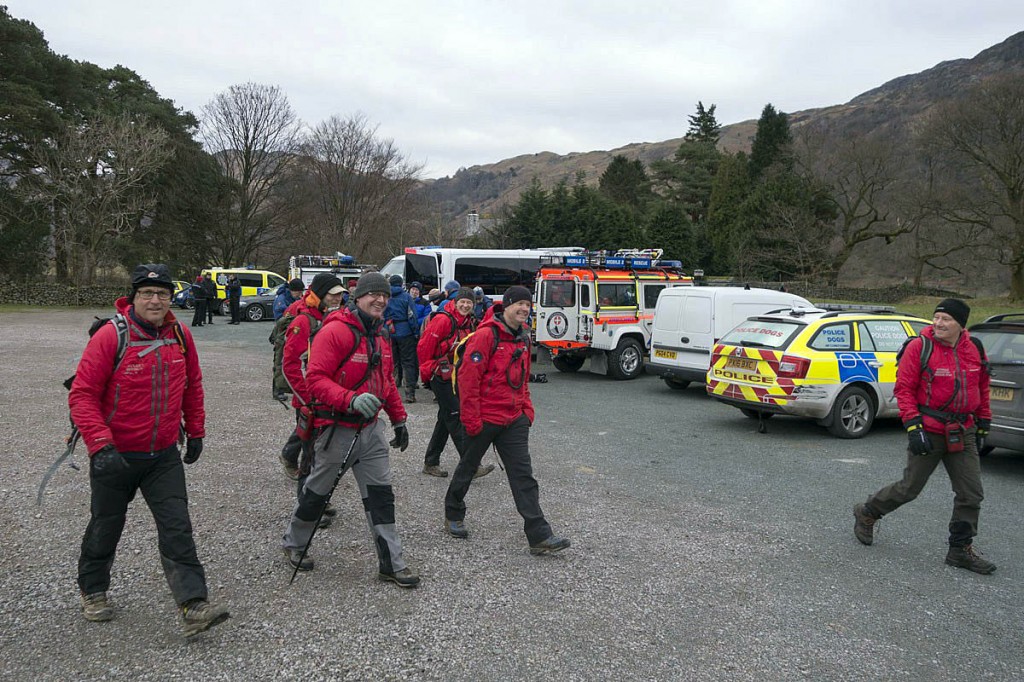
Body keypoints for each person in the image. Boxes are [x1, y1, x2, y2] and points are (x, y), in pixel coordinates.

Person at [68, 263, 230, 637]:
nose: (155, 300)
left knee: (177, 527)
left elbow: (193, 386)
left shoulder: (180, 336)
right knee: (106, 525)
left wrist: (198, 431)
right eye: (147, 293)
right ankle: (93, 590)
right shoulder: (111, 336)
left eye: (162, 294)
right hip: (116, 454)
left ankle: (193, 605)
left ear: (171, 298)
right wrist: (99, 445)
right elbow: (83, 395)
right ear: (134, 297)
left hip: (162, 454)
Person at [281, 272, 419, 588]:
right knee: (316, 494)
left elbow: (386, 382)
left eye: (384, 296)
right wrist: (351, 399)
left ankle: (391, 564)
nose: (380, 300)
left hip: (370, 432)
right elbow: (315, 380)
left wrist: (399, 419)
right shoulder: (336, 331)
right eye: (373, 295)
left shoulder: (382, 335)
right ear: (357, 298)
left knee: (381, 497)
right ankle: (294, 544)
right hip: (336, 430)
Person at [853, 298, 995, 574]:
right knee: (910, 488)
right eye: (936, 317)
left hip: (962, 430)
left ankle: (959, 550)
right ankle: (868, 511)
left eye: (946, 319)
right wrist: (914, 427)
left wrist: (984, 420)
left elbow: (982, 385)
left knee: (971, 493)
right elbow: (904, 389)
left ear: (960, 324)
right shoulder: (920, 347)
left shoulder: (974, 348)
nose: (939, 323)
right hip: (929, 428)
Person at [444, 285, 570, 555]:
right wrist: (472, 420)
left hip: (513, 419)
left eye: (528, 304)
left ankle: (539, 535)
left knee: (523, 476)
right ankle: (453, 513)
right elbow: (468, 380)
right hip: (484, 419)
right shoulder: (486, 336)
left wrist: (527, 412)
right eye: (519, 304)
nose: (524, 309)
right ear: (507, 306)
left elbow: (523, 380)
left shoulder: (523, 339)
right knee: (467, 468)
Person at [417, 287, 495, 479]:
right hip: (440, 374)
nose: (466, 305)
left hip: (454, 375)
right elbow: (424, 347)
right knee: (455, 417)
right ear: (455, 301)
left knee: (445, 419)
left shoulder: (469, 322)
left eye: (469, 303)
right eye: (463, 302)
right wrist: (427, 371)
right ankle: (472, 465)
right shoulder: (443, 320)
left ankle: (431, 462)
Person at [278, 273, 345, 483]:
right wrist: (306, 396)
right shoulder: (303, 321)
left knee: (312, 437)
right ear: (320, 294)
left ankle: (291, 458)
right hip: (309, 396)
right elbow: (289, 364)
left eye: (340, 294)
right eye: (333, 294)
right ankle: (311, 499)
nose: (338, 298)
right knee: (311, 445)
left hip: (325, 393)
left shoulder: (331, 316)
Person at [384, 274, 419, 403]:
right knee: (408, 362)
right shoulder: (406, 297)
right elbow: (412, 316)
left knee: (393, 361)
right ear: (401, 284)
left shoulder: (386, 296)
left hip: (389, 331)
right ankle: (409, 392)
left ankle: (392, 388)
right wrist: (415, 332)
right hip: (405, 332)